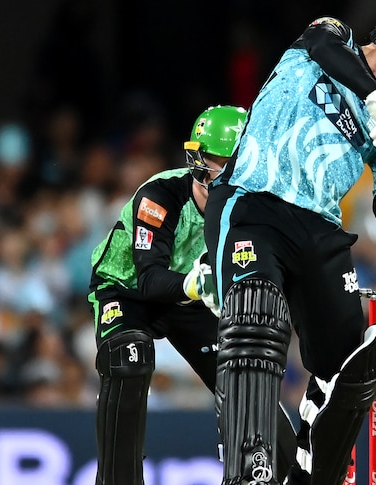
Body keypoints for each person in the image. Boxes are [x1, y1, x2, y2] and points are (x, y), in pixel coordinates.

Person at [203, 6, 376, 485]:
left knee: (356, 363)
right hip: (255, 202)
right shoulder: (331, 37)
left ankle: (311, 476)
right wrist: (373, 98)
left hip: (320, 229)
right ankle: (249, 472)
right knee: (256, 319)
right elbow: (322, 48)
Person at [88, 105, 296, 485]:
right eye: (213, 162)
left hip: (194, 295)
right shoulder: (160, 194)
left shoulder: (254, 205)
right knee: (129, 356)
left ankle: (281, 474)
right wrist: (198, 285)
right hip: (126, 288)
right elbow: (150, 279)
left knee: (245, 367)